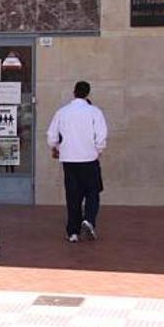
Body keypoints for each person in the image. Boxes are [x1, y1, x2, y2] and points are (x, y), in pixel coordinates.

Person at [47, 81, 108, 243]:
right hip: (89, 158)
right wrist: (98, 150)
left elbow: (52, 134)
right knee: (92, 192)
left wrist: (55, 147)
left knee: (72, 195)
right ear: (88, 93)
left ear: (74, 92)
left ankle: (73, 232)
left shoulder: (62, 112)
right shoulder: (94, 112)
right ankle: (88, 219)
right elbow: (101, 135)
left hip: (69, 159)